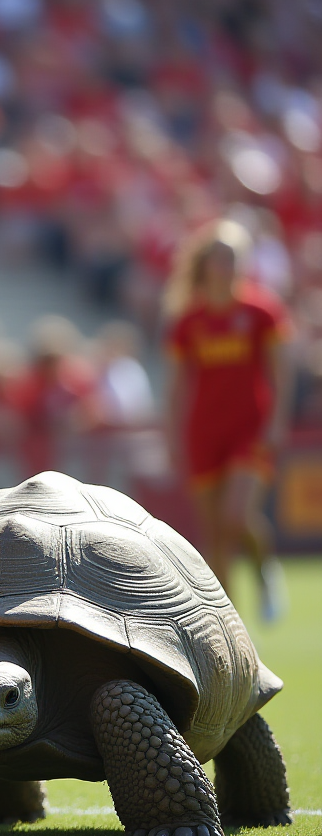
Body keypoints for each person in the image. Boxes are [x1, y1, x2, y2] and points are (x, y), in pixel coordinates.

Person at [164, 218, 293, 619]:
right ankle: (232, 632)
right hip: (204, 433)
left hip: (248, 428)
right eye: (220, 257)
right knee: (214, 538)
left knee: (235, 517)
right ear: (205, 264)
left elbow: (281, 372)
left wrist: (276, 421)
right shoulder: (188, 322)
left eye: (234, 258)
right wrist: (172, 437)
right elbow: (177, 387)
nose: (227, 266)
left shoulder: (261, 311)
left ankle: (263, 566)